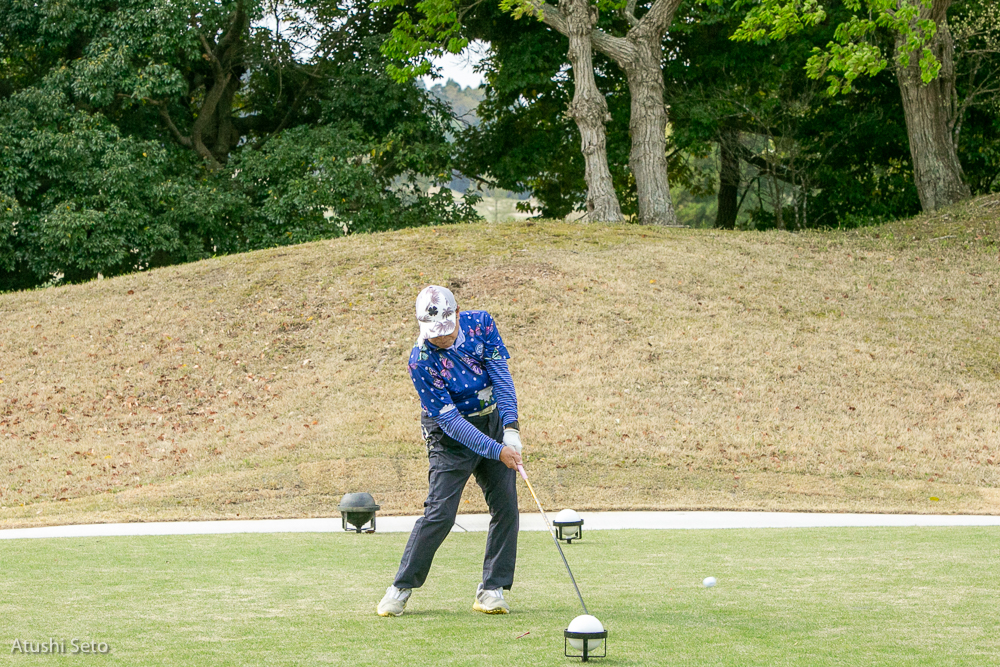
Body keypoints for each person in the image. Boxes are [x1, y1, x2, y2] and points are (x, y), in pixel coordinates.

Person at [377, 285, 524, 617]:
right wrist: (497, 451)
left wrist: (511, 429)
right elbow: (452, 422)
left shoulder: (481, 324)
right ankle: (400, 587)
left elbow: (501, 377)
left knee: (507, 508)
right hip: (449, 438)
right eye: (435, 333)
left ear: (458, 313)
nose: (441, 338)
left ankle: (492, 589)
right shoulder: (420, 360)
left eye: (446, 329)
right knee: (440, 514)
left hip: (491, 423)